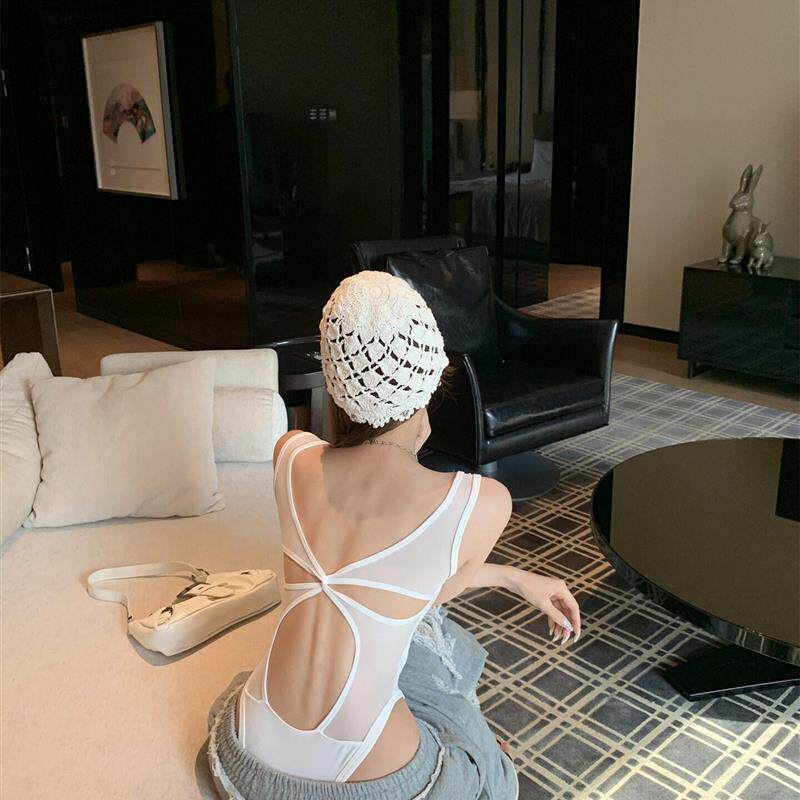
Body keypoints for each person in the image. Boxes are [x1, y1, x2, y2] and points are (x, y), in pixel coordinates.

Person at [208, 271, 581, 800]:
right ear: (435, 373)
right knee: (475, 747)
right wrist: (515, 578)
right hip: (366, 778)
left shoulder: (289, 454)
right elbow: (428, 599)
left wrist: (516, 577)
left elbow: (398, 583)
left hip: (245, 756)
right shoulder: (477, 502)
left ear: (335, 382)